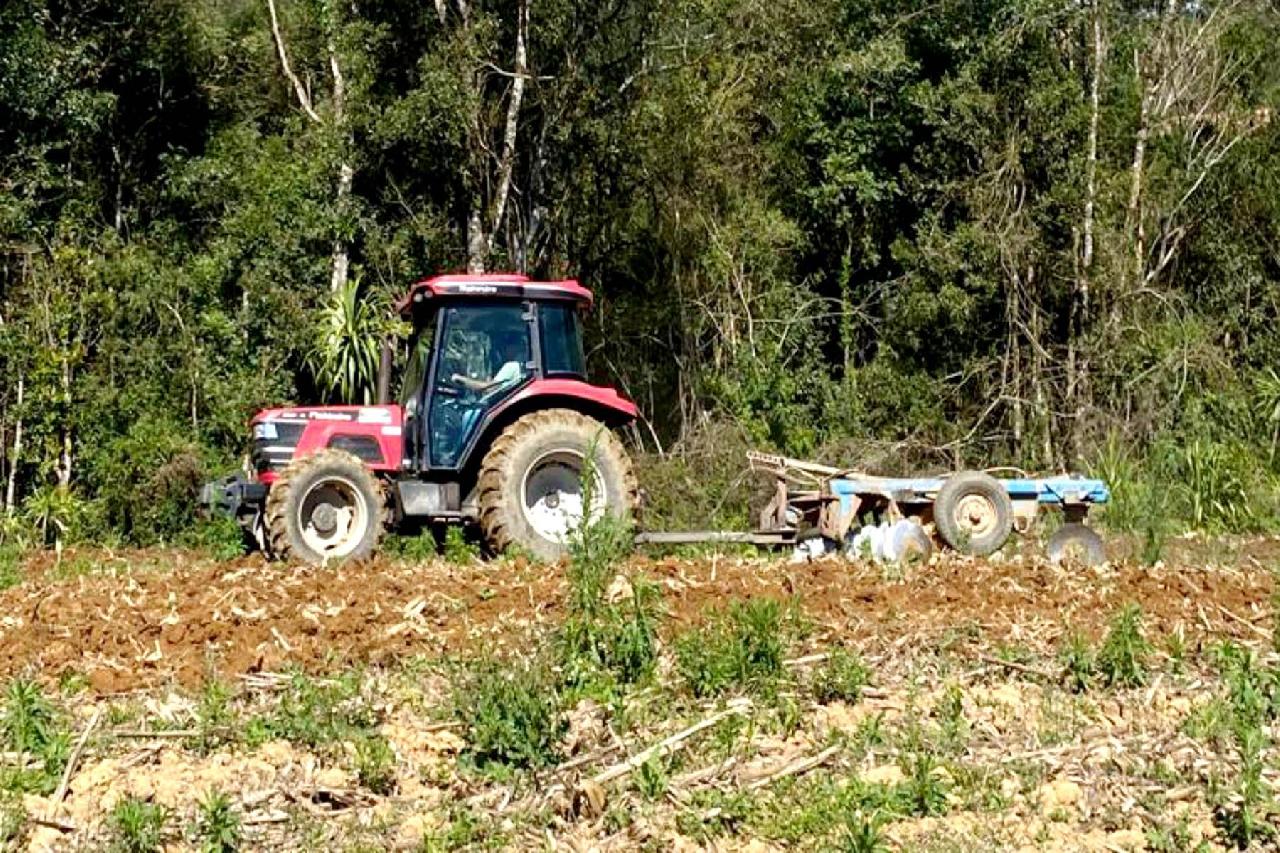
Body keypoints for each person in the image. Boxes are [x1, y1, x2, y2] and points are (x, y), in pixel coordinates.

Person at [451, 332, 525, 394]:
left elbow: (488, 389)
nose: (501, 350)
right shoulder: (522, 365)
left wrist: (459, 378)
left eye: (504, 347)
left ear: (514, 347)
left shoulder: (512, 366)